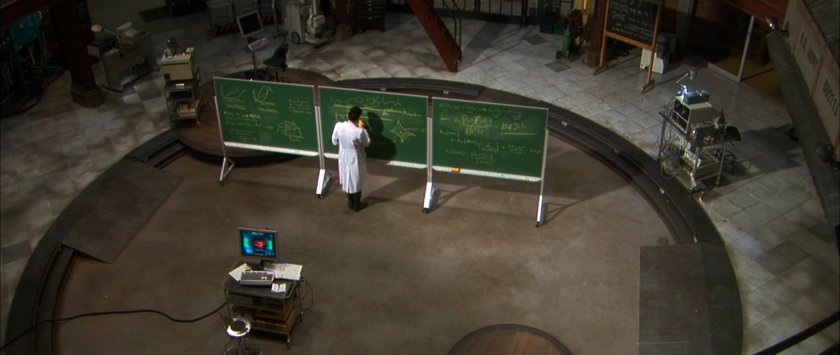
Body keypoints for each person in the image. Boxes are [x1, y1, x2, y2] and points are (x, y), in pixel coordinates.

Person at [331, 106, 371, 211]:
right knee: (356, 180)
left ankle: (350, 202)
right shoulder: (358, 132)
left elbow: (334, 141)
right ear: (358, 118)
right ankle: (357, 205)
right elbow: (367, 143)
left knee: (347, 179)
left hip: (344, 155)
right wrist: (362, 128)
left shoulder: (339, 126)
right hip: (355, 157)